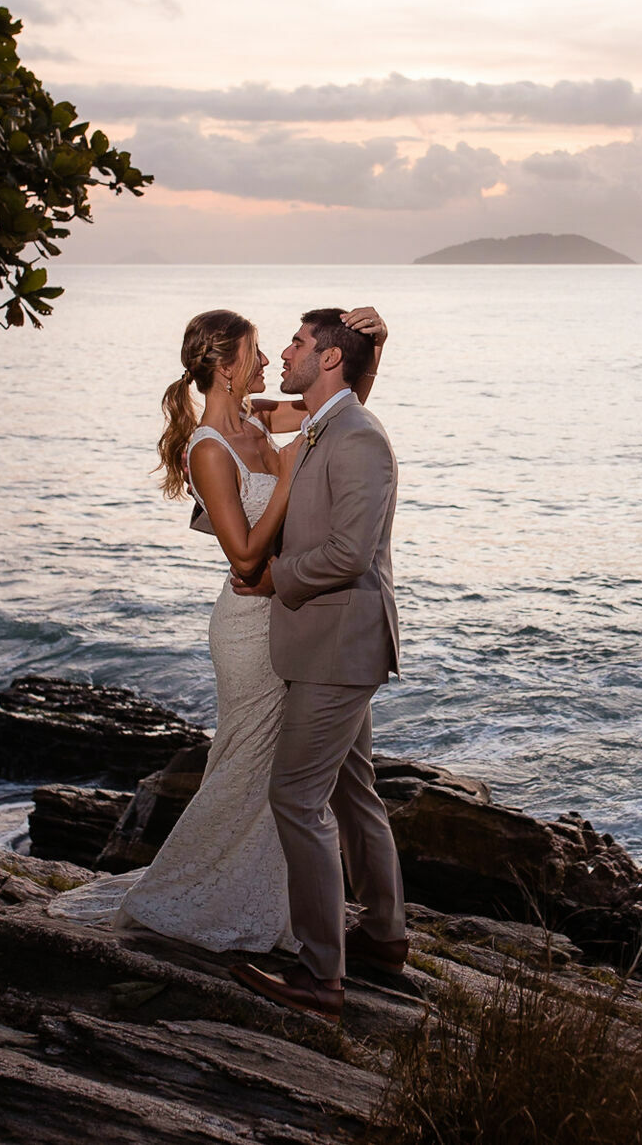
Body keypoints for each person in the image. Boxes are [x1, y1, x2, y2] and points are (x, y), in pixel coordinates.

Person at [46, 305, 388, 953]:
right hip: (250, 623)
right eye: (257, 352)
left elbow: (338, 415)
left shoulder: (262, 419)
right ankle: (205, 895)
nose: (267, 362)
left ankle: (276, 903)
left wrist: (376, 347)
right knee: (246, 765)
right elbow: (245, 556)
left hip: (294, 616)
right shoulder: (208, 449)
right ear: (228, 367)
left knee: (285, 779)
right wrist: (285, 482)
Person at [229, 309, 406, 1022]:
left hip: (340, 645)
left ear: (329, 359)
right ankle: (384, 936)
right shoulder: (320, 421)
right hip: (333, 642)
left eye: (299, 343)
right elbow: (251, 404)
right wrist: (373, 350)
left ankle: (319, 975)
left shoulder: (358, 439)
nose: (285, 351)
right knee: (354, 791)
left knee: (296, 798)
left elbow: (349, 555)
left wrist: (273, 577)